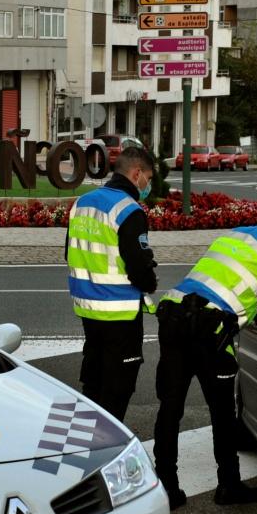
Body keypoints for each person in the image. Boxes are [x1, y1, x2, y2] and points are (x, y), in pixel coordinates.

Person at [151, 204, 257, 509]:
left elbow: (231, 285)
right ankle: (229, 486)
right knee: (222, 413)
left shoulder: (233, 236)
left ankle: (166, 488)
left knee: (170, 408)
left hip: (174, 316)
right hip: (209, 331)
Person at [65, 146, 158, 421]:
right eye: (149, 178)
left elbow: (68, 252)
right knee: (119, 388)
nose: (148, 185)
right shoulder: (129, 210)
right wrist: (150, 282)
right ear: (137, 173)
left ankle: (85, 438)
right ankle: (108, 446)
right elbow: (139, 267)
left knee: (94, 380)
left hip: (87, 308)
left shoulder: (83, 202)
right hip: (120, 313)